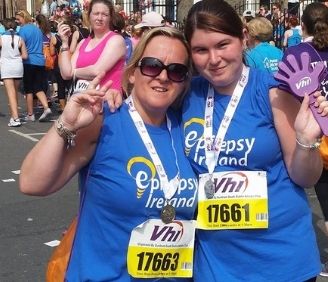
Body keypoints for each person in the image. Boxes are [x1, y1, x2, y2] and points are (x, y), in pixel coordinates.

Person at [19, 26, 198, 281]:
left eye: (177, 70)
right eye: (151, 66)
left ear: (184, 82)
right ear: (133, 72)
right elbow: (31, 183)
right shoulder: (104, 121)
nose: (163, 76)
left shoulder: (187, 130)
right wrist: (66, 125)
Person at [182, 0, 328, 280]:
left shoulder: (272, 89)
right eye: (201, 50)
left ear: (243, 39)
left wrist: (305, 141)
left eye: (222, 44)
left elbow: (305, 177)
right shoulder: (187, 95)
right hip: (215, 265)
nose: (213, 59)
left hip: (281, 261)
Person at [282, 3, 328, 281]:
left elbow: (281, 89)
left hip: (298, 131)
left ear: (303, 26)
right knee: (327, 194)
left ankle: (290, 257)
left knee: (291, 192)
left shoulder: (296, 52)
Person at [57, 0, 126, 95]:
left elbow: (97, 71)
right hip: (82, 104)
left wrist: (73, 72)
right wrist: (64, 42)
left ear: (110, 18)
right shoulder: (82, 43)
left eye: (105, 14)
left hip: (106, 102)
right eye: (96, 13)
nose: (100, 18)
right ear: (89, 16)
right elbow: (65, 74)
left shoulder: (116, 40)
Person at [16, 9, 53, 122]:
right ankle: (46, 108)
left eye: (18, 19)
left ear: (24, 17)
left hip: (29, 62)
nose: (17, 21)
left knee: (29, 89)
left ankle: (30, 114)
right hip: (40, 61)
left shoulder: (23, 30)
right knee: (38, 87)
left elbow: (20, 45)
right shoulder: (37, 30)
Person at [0, 18, 28, 127]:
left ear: (5, 27)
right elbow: (25, 56)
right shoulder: (20, 38)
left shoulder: (1, 38)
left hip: (6, 67)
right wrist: (16, 57)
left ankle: (15, 118)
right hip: (18, 66)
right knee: (14, 92)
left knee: (11, 93)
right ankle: (14, 115)